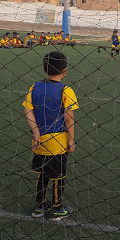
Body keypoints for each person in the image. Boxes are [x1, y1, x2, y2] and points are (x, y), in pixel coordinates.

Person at [23, 51, 79, 221]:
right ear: (65, 70)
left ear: (44, 68)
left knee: (43, 174)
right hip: (57, 142)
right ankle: (57, 208)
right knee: (58, 176)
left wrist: (36, 133)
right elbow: (69, 119)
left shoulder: (35, 86)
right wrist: (71, 139)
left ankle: (39, 206)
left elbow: (28, 110)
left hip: (40, 142)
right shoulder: (66, 90)